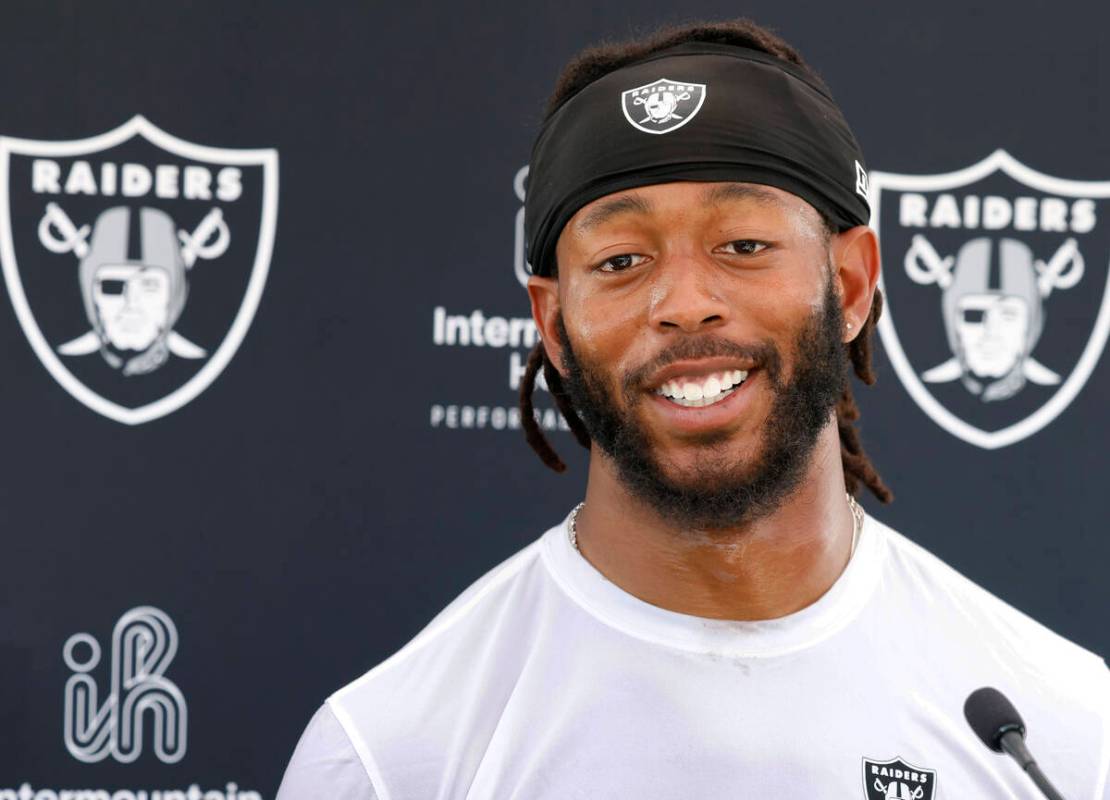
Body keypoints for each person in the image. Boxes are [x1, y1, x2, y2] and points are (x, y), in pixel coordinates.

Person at [277, 19, 1110, 799]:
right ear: (553, 323)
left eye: (742, 245)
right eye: (622, 259)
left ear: (850, 284)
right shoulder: (390, 758)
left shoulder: (1066, 736)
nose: (683, 303)